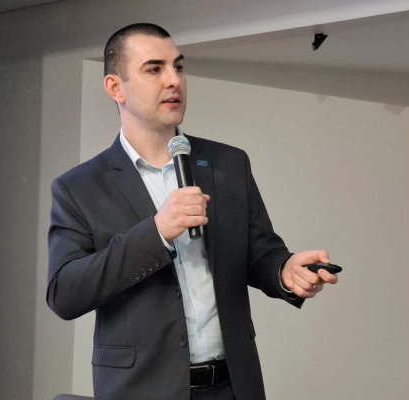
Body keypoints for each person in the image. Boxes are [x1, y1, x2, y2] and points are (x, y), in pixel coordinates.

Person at [47, 23, 339, 400]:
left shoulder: (228, 163)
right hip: (143, 391)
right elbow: (65, 293)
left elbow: (259, 254)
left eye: (179, 67)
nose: (174, 80)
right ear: (115, 87)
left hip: (233, 386)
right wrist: (156, 232)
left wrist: (285, 271)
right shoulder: (80, 186)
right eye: (154, 69)